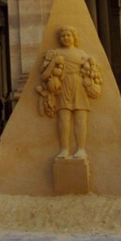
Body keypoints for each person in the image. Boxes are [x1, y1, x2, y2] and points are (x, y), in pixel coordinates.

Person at [37, 26, 103, 159]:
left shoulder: (81, 54)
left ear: (74, 38)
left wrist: (91, 64)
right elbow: (44, 76)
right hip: (63, 86)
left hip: (79, 86)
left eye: (68, 35)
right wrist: (54, 62)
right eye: (63, 36)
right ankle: (64, 149)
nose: (66, 38)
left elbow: (93, 69)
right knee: (63, 119)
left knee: (80, 119)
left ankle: (81, 149)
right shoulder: (55, 53)